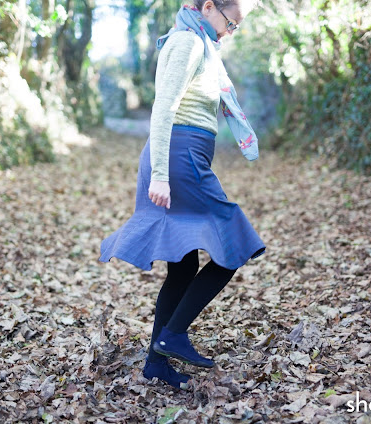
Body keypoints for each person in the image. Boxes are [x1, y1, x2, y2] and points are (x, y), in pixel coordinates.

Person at [98, 0, 265, 390]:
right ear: (209, 7)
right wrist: (160, 175)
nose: (230, 32)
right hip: (177, 158)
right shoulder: (188, 43)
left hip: (184, 156)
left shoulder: (203, 43)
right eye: (231, 22)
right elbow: (163, 109)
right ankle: (172, 335)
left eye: (236, 27)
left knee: (185, 264)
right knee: (234, 242)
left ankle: (157, 361)